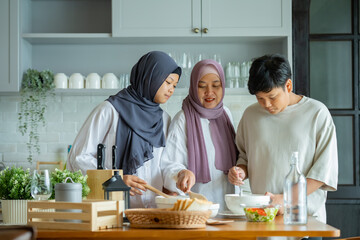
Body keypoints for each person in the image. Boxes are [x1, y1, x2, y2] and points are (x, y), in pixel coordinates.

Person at [228, 54, 338, 224]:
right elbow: (244, 157)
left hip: (305, 219)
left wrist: (284, 198)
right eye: (260, 98)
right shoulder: (251, 115)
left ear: (288, 85)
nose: (266, 105)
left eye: (272, 97)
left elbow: (323, 172)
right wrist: (240, 171)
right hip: (262, 218)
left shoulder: (317, 113)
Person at [67, 51, 181, 208]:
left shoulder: (164, 119)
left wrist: (174, 182)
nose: (171, 90)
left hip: (154, 212)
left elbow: (164, 164)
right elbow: (79, 157)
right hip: (112, 211)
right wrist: (116, 180)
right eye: (168, 82)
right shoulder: (110, 110)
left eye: (174, 85)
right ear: (150, 77)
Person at [161, 59, 238, 210]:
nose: (209, 92)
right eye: (202, 86)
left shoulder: (226, 114)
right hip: (195, 209)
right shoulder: (182, 119)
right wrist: (181, 173)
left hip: (228, 209)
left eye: (216, 85)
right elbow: (168, 164)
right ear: (193, 87)